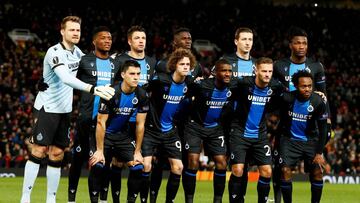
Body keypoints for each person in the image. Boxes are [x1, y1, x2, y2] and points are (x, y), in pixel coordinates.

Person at [20, 16, 115, 203]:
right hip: (48, 107)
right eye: (72, 30)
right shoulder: (54, 52)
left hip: (65, 110)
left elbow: (90, 64)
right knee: (39, 150)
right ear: (62, 31)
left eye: (78, 30)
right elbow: (65, 77)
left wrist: (113, 59)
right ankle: (25, 197)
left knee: (57, 154)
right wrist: (93, 89)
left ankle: (51, 199)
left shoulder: (78, 53)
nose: (76, 33)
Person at [144, 27, 207, 203]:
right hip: (159, 123)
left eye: (190, 38)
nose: (188, 41)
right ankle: (152, 197)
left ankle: (183, 199)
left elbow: (196, 91)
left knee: (183, 165)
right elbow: (152, 91)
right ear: (174, 42)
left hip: (182, 124)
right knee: (156, 163)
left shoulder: (196, 68)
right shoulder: (163, 65)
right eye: (184, 38)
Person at [272, 26, 331, 203]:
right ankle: (278, 199)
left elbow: (322, 96)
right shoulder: (279, 66)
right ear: (290, 45)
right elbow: (274, 93)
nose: (301, 46)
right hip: (286, 125)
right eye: (297, 43)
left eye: (304, 43)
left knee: (316, 170)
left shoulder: (316, 66)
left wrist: (327, 123)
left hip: (310, 127)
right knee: (281, 168)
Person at [100, 25, 156, 203]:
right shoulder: (119, 60)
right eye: (137, 38)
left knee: (142, 163)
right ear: (130, 41)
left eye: (144, 38)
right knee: (115, 163)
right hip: (121, 120)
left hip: (141, 119)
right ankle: (111, 198)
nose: (141, 41)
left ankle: (140, 199)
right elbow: (112, 86)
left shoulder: (153, 62)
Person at [66, 26, 119, 203]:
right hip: (86, 119)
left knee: (102, 163)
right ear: (94, 42)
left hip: (106, 121)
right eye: (103, 38)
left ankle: (101, 199)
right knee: (78, 160)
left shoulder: (115, 64)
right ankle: (71, 199)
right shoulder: (84, 61)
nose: (107, 41)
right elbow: (68, 79)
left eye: (110, 38)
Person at [89, 60, 149, 203]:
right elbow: (100, 122)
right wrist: (99, 150)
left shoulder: (142, 95)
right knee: (98, 165)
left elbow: (141, 125)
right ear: (123, 74)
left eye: (138, 74)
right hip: (104, 136)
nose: (136, 77)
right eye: (132, 74)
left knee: (137, 167)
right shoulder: (110, 92)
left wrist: (138, 151)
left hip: (123, 137)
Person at [141, 48, 196, 203]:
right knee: (146, 166)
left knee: (178, 167)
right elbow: (142, 92)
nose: (186, 67)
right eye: (182, 64)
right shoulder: (160, 80)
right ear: (174, 65)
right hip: (151, 131)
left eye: (188, 64)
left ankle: (169, 201)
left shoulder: (190, 84)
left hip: (171, 132)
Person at [228, 57, 284, 203]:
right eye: (264, 71)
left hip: (260, 134)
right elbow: (223, 84)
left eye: (270, 71)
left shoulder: (275, 87)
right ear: (256, 70)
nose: (267, 74)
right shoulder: (243, 83)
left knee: (267, 171)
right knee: (238, 170)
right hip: (239, 132)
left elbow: (292, 94)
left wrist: (318, 95)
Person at [182, 59, 232, 203]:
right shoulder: (201, 86)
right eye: (224, 71)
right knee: (193, 162)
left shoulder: (233, 87)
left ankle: (218, 200)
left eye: (229, 71)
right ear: (214, 73)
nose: (227, 74)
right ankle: (189, 200)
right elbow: (185, 92)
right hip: (195, 126)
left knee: (222, 163)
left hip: (215, 129)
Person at [278, 70, 327, 203]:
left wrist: (319, 152)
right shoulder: (287, 98)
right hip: (289, 141)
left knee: (317, 172)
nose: (307, 89)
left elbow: (323, 129)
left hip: (310, 141)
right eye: (303, 86)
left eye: (310, 86)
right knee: (285, 170)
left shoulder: (318, 102)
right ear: (296, 86)